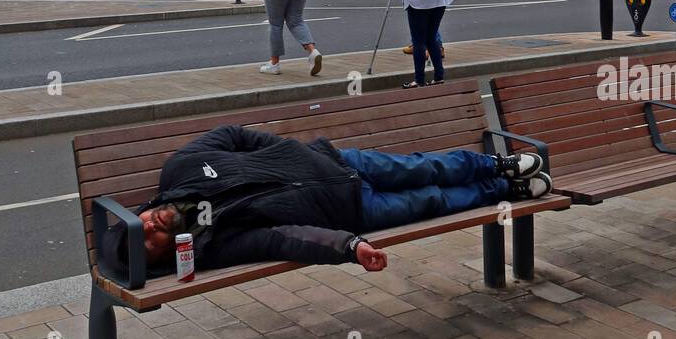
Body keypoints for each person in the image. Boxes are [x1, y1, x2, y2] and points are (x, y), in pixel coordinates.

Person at [99, 123, 553, 283]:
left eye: (144, 227)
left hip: (336, 161)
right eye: (156, 241)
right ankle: (503, 190)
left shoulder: (179, 170)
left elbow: (234, 135)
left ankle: (499, 165)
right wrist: (348, 247)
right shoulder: (217, 243)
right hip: (352, 212)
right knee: (434, 199)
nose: (154, 226)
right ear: (169, 251)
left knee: (426, 168)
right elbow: (283, 240)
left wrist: (283, 151)